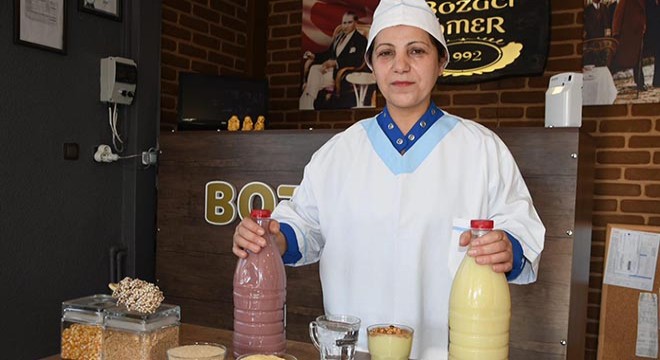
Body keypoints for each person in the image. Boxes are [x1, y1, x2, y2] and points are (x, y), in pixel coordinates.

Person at [234, 0, 545, 358]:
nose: (401, 65)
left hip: (448, 351)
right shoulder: (339, 153)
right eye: (385, 53)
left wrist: (509, 246)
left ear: (441, 62)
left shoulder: (481, 150)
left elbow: (521, 229)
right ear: (370, 64)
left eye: (416, 51)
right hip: (356, 351)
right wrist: (272, 237)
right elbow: (302, 225)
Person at [299, 11, 368, 110]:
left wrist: (335, 63)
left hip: (342, 74)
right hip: (330, 72)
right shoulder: (339, 37)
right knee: (314, 69)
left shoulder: (360, 40)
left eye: (349, 22)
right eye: (344, 23)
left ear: (355, 23)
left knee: (312, 79)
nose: (346, 26)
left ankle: (307, 104)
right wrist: (314, 56)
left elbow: (357, 60)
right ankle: (309, 104)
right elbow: (329, 53)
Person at [612, 0, 648, 90]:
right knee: (619, 61)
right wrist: (616, 31)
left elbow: (643, 13)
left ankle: (640, 83)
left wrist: (643, 24)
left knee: (638, 59)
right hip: (627, 34)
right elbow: (618, 14)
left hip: (638, 33)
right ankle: (609, 83)